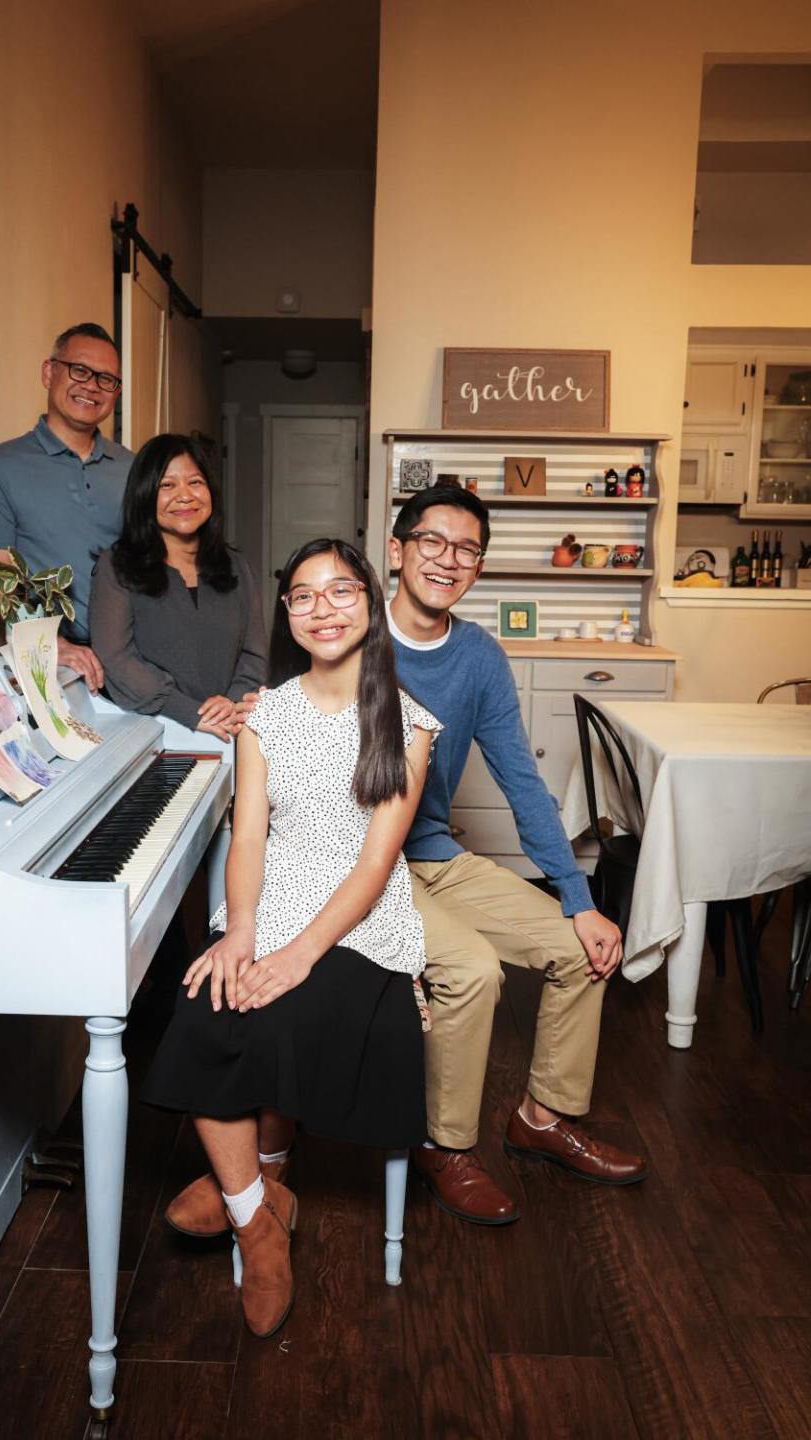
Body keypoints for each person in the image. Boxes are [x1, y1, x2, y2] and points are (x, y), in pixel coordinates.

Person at [142, 539, 440, 1337]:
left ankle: (263, 1172)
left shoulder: (408, 725)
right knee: (204, 1006)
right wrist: (240, 933)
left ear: (370, 604)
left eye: (340, 591)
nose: (322, 609)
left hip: (361, 916)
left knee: (283, 1011)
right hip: (270, 897)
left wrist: (298, 955)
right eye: (303, 596)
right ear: (287, 616)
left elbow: (376, 864)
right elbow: (246, 840)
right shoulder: (262, 715)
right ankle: (258, 1220)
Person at [386, 485, 647, 1225]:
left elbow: (522, 783)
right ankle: (447, 1145)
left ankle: (542, 1116)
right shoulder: (351, 633)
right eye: (433, 541)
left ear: (479, 568)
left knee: (583, 947)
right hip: (361, 864)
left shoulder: (478, 656)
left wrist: (579, 896)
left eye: (467, 549)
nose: (449, 559)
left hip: (437, 854)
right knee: (472, 969)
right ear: (398, 548)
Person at [0, 322, 132, 693]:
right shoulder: (1, 467)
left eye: (106, 379)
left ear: (116, 392)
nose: (92, 386)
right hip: (63, 667)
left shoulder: (135, 468)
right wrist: (51, 646)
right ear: (49, 372)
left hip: (135, 656)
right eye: (79, 370)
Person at [88, 434, 265, 742]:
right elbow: (116, 657)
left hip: (233, 730)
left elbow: (254, 654)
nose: (185, 496)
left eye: (195, 482)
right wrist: (190, 712)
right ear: (144, 494)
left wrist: (232, 705)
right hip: (157, 736)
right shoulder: (116, 566)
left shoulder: (237, 565)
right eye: (166, 485)